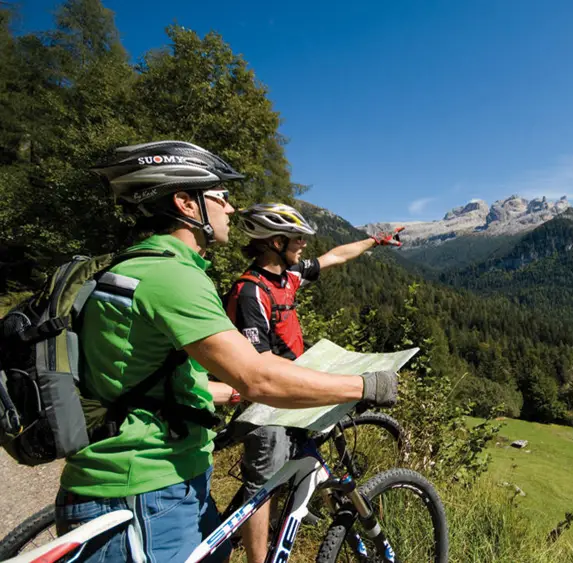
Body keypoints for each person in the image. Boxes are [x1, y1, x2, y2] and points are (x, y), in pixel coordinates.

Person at [59, 140, 399, 563]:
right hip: (145, 488)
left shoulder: (139, 266)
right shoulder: (174, 276)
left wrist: (374, 241)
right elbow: (257, 374)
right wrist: (365, 383)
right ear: (185, 203)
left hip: (165, 482)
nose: (230, 208)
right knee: (263, 482)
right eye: (220, 196)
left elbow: (153, 379)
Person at [210, 202, 402, 563]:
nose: (303, 245)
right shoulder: (251, 291)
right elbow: (257, 364)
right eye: (297, 238)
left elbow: (333, 257)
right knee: (260, 488)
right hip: (265, 400)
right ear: (274, 242)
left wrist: (374, 241)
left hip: (290, 391)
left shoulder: (290, 274)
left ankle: (280, 522)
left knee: (285, 470)